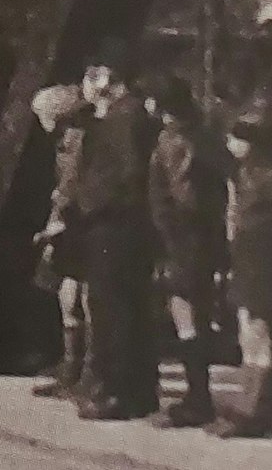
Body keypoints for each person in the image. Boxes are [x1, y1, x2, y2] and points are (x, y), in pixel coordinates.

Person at [65, 36, 159, 420]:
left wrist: (89, 205)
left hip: (113, 226)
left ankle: (116, 392)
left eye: (93, 74)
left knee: (112, 308)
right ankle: (136, 391)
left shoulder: (122, 118)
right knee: (128, 307)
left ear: (107, 76)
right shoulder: (127, 115)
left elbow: (123, 175)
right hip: (124, 226)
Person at [208, 102, 272, 440]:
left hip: (264, 261)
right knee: (249, 331)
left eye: (235, 139)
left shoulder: (268, 175)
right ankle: (251, 402)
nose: (230, 144)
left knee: (258, 334)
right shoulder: (244, 174)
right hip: (247, 260)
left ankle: (256, 407)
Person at [145, 73, 225, 428]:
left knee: (185, 314)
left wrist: (168, 227)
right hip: (203, 236)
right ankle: (198, 393)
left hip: (180, 237)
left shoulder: (172, 140)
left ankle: (197, 398)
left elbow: (181, 193)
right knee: (197, 312)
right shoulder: (203, 133)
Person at [28, 82, 91, 400]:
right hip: (68, 221)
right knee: (69, 293)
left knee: (74, 294)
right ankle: (72, 364)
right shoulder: (68, 142)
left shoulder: (75, 143)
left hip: (73, 225)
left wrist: (58, 220)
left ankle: (76, 366)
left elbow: (72, 185)